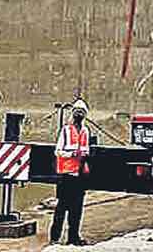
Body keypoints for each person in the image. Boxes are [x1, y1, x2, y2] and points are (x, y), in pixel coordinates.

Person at [50, 99, 91, 246]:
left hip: (79, 176)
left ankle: (73, 238)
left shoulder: (85, 131)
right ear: (73, 114)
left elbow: (87, 149)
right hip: (66, 175)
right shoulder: (66, 130)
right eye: (77, 112)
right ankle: (55, 238)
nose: (79, 115)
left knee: (77, 209)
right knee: (62, 207)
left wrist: (84, 155)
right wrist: (72, 154)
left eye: (82, 112)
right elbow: (58, 151)